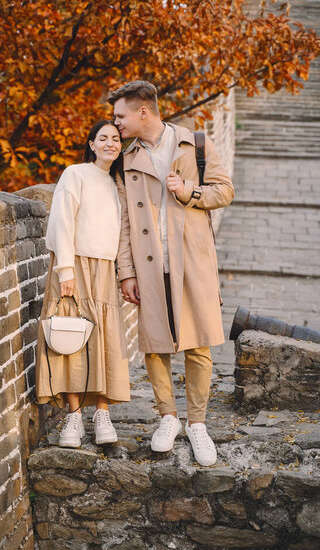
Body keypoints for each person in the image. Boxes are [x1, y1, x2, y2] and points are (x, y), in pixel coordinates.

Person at [108, 81, 234, 466]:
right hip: (149, 264)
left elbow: (225, 191)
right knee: (154, 342)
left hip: (192, 260)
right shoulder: (124, 159)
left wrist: (189, 192)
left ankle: (197, 424)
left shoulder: (193, 143)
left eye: (120, 115)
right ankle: (168, 418)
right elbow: (125, 222)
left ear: (143, 111)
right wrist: (126, 272)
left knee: (198, 343)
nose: (115, 123)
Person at [35, 120, 130, 448]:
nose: (110, 143)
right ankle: (73, 416)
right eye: (102, 138)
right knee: (71, 337)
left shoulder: (117, 184)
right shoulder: (75, 173)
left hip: (104, 270)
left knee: (102, 340)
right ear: (90, 144)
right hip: (73, 264)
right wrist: (65, 270)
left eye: (115, 139)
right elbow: (62, 220)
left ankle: (102, 413)